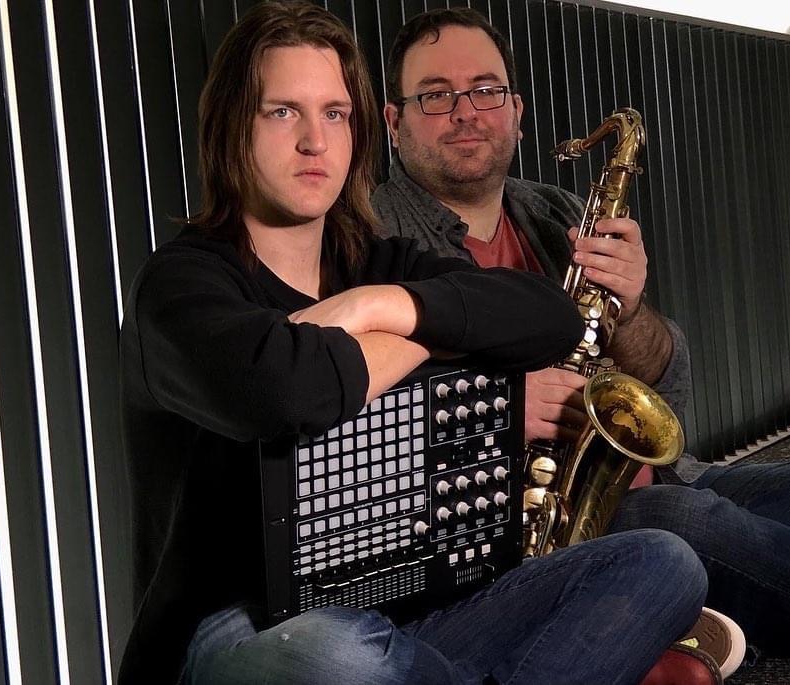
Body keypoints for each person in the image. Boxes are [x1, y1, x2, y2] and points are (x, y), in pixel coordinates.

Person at [118, 2, 707, 683]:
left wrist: (383, 305)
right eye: (281, 112)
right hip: (246, 628)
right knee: (335, 651)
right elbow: (289, 391)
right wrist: (437, 333)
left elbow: (546, 315)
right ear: (231, 126)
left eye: (334, 113)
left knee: (661, 560)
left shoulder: (373, 265)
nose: (314, 141)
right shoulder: (182, 284)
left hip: (400, 607)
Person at [371, 5, 790, 666]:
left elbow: (668, 394)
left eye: (485, 89)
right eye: (435, 94)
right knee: (687, 523)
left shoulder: (557, 211)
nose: (466, 111)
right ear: (394, 122)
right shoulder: (368, 235)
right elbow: (359, 426)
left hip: (657, 477)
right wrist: (499, 405)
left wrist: (632, 308)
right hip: (542, 528)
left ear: (516, 111)